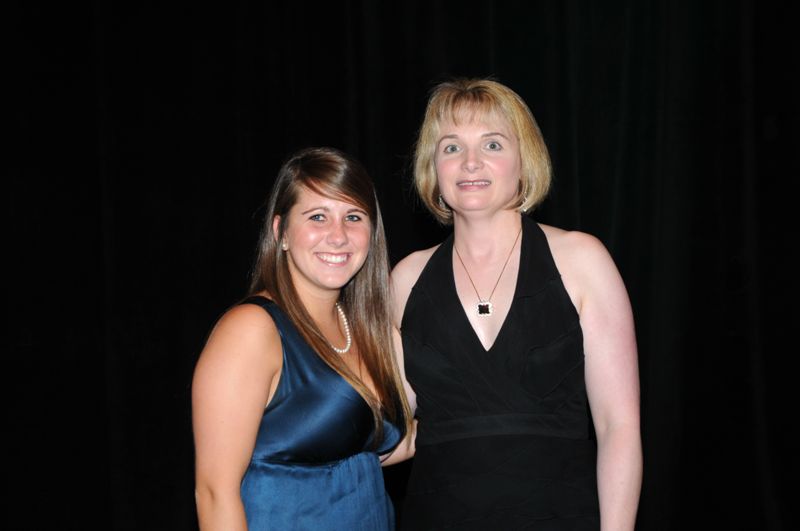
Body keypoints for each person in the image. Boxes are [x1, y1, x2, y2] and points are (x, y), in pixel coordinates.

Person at [390, 78, 642, 529]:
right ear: (433, 167)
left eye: (491, 144)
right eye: (451, 147)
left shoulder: (583, 260)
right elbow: (390, 428)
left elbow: (618, 428)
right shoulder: (406, 277)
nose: (470, 162)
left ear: (524, 161)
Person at [192, 147, 412, 530]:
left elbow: (384, 448)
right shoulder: (251, 330)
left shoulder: (371, 331)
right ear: (281, 233)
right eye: (317, 217)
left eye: (354, 217)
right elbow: (214, 492)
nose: (338, 235)